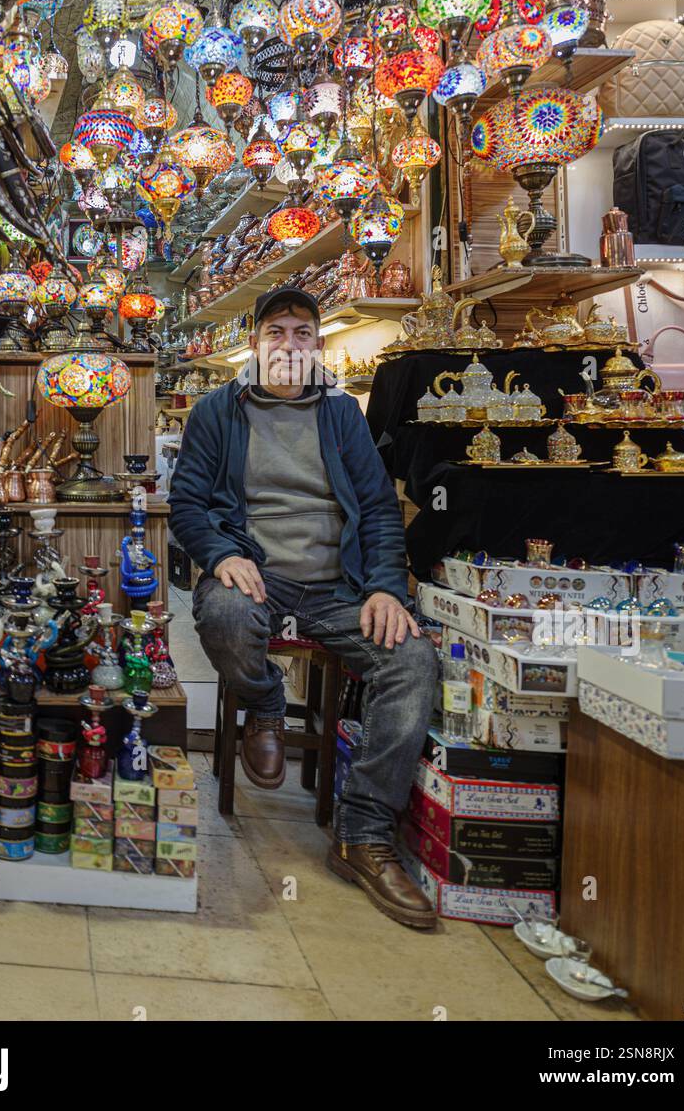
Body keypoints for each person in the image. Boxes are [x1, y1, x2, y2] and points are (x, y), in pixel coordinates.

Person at [169, 285, 439, 929]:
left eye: (301, 333)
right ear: (256, 342)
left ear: (316, 345)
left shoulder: (344, 414)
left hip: (338, 586)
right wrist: (220, 554)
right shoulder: (218, 411)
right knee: (226, 617)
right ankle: (263, 701)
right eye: (276, 332)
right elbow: (187, 505)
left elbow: (376, 509)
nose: (288, 345)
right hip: (257, 576)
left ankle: (364, 836)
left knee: (412, 660)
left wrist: (385, 589)